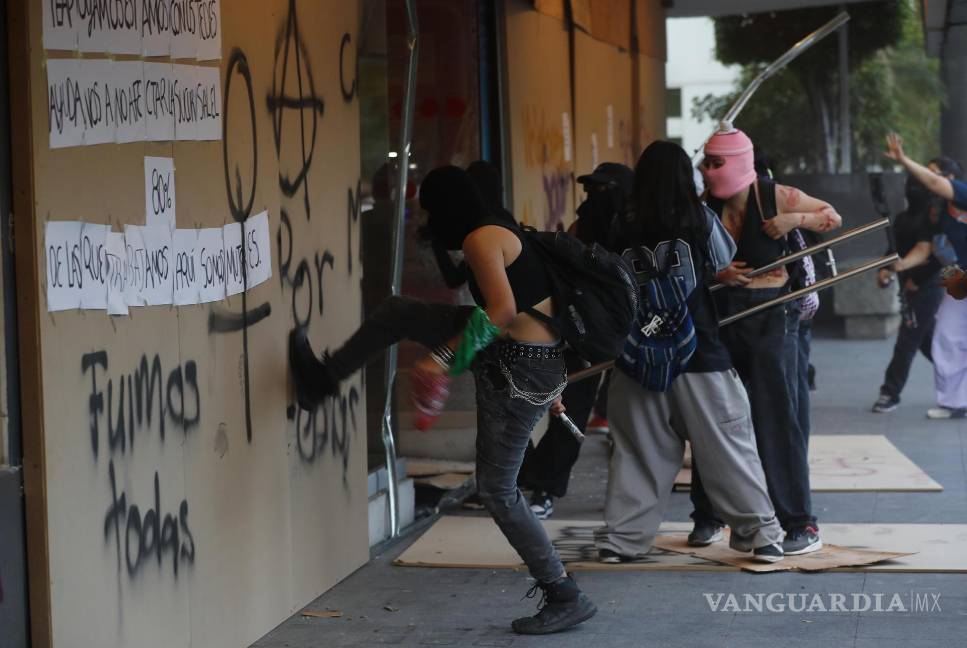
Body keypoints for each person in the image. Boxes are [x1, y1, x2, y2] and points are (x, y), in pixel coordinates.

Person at [290, 165, 596, 635]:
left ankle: (564, 593)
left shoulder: (481, 238)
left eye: (431, 209)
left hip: (517, 362)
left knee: (498, 489)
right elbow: (533, 307)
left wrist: (442, 357)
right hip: (528, 357)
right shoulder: (501, 230)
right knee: (398, 313)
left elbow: (503, 310)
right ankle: (322, 380)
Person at [593, 140, 786, 564]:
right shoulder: (700, 218)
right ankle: (762, 537)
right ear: (687, 178)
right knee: (728, 447)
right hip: (699, 352)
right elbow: (724, 258)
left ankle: (622, 540)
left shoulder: (620, 224)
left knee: (636, 452)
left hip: (637, 355)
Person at [689, 124, 841, 556]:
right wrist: (717, 272)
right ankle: (708, 514)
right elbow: (692, 257)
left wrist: (797, 219)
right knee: (715, 416)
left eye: (715, 163)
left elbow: (832, 216)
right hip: (722, 314)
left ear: (737, 163)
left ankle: (800, 521)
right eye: (705, 162)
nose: (707, 170)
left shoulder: (775, 194)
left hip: (774, 313)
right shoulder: (705, 206)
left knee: (777, 416)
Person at [519, 162, 633, 519]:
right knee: (572, 408)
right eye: (590, 191)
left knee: (636, 418)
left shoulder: (635, 227)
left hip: (640, 332)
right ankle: (544, 486)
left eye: (602, 191)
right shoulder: (581, 227)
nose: (592, 199)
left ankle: (633, 499)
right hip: (588, 333)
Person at [885, 133, 967, 419]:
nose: (924, 180)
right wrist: (901, 265)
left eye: (933, 174)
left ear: (951, 178)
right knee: (945, 335)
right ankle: (955, 402)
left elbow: (933, 182)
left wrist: (903, 159)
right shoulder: (936, 212)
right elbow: (925, 249)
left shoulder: (963, 193)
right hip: (960, 278)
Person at [871, 172, 944, 413]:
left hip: (928, 287)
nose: (912, 190)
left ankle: (889, 392)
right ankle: (958, 375)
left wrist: (918, 279)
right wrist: (884, 269)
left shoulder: (933, 219)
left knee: (907, 341)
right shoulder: (902, 218)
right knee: (930, 344)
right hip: (907, 286)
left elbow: (934, 255)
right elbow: (894, 249)